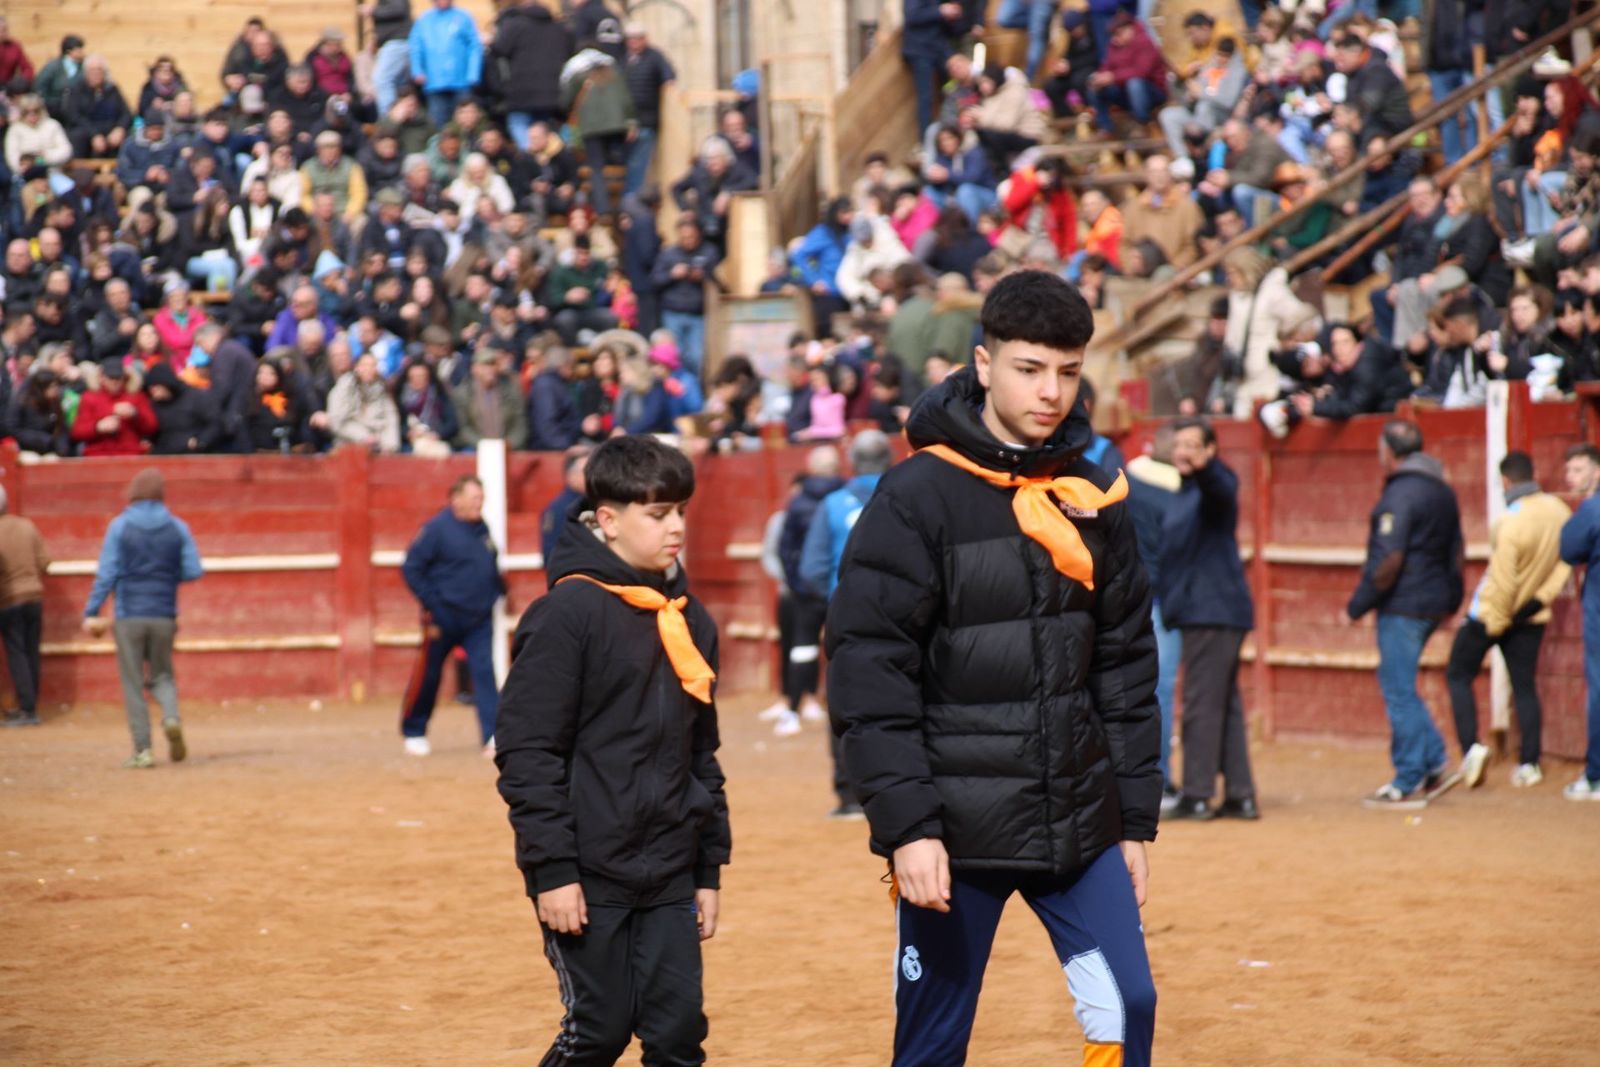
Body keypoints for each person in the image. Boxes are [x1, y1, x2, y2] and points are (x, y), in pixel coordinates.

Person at [826, 270, 1158, 1066]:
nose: (1051, 392)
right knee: (932, 1044)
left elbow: (1124, 663)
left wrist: (1133, 819)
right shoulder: (914, 496)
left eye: (1068, 371)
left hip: (1078, 821)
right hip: (954, 830)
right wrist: (908, 827)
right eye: (1029, 368)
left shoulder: (1095, 491)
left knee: (1128, 1003)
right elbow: (871, 670)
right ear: (983, 363)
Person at [494, 434, 730, 1066]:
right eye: (658, 514)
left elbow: (701, 755)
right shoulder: (566, 614)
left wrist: (707, 870)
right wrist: (553, 870)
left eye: (681, 511)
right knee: (598, 1032)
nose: (676, 527)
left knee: (678, 1038)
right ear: (608, 519)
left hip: (671, 866)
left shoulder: (690, 620)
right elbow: (528, 752)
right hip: (588, 866)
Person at [1346, 419, 1465, 808]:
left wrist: (1359, 603)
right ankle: (1432, 763)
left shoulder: (1400, 494)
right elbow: (1457, 551)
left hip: (1404, 602)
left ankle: (1408, 778)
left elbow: (1389, 559)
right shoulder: (1443, 490)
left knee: (1398, 689)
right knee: (1404, 687)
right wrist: (1452, 599)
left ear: (1388, 450)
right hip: (1433, 600)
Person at [1445, 451, 1571, 792]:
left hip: (1491, 614)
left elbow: (1502, 578)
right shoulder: (1559, 510)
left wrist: (1498, 621)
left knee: (1458, 674)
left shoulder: (1509, 521)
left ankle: (1471, 749)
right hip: (1531, 614)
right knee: (1524, 686)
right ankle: (1529, 763)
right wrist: (1540, 599)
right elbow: (1567, 561)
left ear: (1505, 481)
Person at [1161, 416, 1259, 821]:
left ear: (1210, 450)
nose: (1182, 452)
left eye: (1192, 445)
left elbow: (1221, 490)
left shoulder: (1214, 483)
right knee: (1224, 703)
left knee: (1201, 702)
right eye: (1178, 444)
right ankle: (1240, 794)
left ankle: (1198, 793)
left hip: (1211, 611)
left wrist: (1206, 469)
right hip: (1209, 610)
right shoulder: (1183, 492)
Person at [794, 430, 894, 817]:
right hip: (907, 616)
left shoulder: (833, 504)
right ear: (889, 460)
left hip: (850, 619)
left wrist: (837, 599)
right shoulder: (909, 497)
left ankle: (850, 795)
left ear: (852, 462)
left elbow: (812, 568)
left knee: (847, 703)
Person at [81, 470, 204, 769]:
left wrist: (92, 611)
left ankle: (143, 750)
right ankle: (171, 718)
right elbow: (193, 570)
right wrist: (164, 576)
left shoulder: (120, 526)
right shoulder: (177, 527)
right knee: (163, 676)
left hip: (129, 615)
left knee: (133, 683)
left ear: (133, 494)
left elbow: (107, 573)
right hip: (164, 613)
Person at [400, 475, 505, 758]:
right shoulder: (436, 529)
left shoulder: (482, 527)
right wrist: (433, 603)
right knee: (429, 673)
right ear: (456, 499)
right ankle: (414, 730)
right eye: (473, 498)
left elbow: (489, 562)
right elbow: (412, 568)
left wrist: (496, 590)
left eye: (481, 498)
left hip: (479, 617)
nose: (478, 504)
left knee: (484, 673)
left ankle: (493, 734)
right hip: (443, 616)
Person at [1125, 426, 1182, 804]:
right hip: (1164, 601)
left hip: (1130, 599)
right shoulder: (1181, 493)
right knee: (1160, 690)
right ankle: (1159, 779)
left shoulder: (1128, 478)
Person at [1559, 443, 1600, 801]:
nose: (1570, 477)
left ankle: (1597, 775)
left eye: (1578, 469)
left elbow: (1569, 549)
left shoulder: (1592, 508)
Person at [0, 488, 50, 729]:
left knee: (17, 653)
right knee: (31, 652)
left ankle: (27, 709)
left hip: (9, 599)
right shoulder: (26, 526)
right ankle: (30, 706)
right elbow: (45, 562)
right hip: (34, 596)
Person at [620, 23, 677, 197]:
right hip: (625, 122)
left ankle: (630, 198)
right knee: (628, 162)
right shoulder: (624, 60)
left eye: (637, 38)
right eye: (631, 39)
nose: (634, 42)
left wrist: (668, 84)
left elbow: (669, 76)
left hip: (646, 121)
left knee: (637, 163)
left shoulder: (654, 57)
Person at [409, 0, 484, 128]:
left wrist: (473, 74)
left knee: (465, 122)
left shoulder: (463, 17)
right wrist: (417, 70)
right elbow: (416, 47)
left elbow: (474, 47)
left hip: (462, 82)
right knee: (438, 123)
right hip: (434, 83)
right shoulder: (424, 20)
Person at [69, 359, 158, 457]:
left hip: (130, 454)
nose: (115, 382)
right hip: (98, 455)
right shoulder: (89, 397)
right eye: (111, 378)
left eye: (118, 378)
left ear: (125, 378)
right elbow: (77, 431)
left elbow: (151, 427)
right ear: (102, 378)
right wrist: (98, 427)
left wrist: (135, 414)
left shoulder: (137, 396)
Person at [539, 446, 590, 564]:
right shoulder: (558, 509)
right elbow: (551, 554)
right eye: (586, 472)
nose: (591, 476)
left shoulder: (593, 503)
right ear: (571, 475)